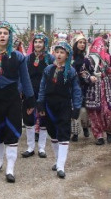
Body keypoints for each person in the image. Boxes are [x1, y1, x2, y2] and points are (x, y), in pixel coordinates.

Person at [0, 21, 35, 183]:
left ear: (10, 36)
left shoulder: (18, 57)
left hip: (12, 99)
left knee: (12, 131)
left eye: (5, 33)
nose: (2, 36)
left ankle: (10, 168)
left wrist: (30, 100)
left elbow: (25, 79)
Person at [37, 42, 82, 178]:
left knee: (63, 132)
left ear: (67, 55)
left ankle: (61, 166)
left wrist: (77, 107)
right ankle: (57, 160)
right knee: (53, 133)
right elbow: (42, 88)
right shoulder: (48, 69)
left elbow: (76, 91)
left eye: (62, 52)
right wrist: (40, 103)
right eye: (57, 52)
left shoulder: (71, 71)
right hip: (50, 105)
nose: (59, 55)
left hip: (64, 105)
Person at [21, 32, 53, 158]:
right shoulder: (27, 59)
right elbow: (23, 76)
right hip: (29, 93)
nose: (38, 44)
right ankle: (30, 147)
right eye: (36, 42)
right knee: (28, 119)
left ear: (44, 44)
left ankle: (42, 148)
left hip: (44, 93)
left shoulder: (50, 59)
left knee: (44, 119)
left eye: (40, 42)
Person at [85, 33, 111, 145]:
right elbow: (83, 71)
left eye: (103, 46)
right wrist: (89, 77)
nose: (101, 48)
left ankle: (109, 131)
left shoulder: (109, 58)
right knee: (94, 113)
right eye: (99, 46)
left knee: (108, 111)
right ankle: (99, 136)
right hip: (93, 89)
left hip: (106, 88)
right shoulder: (88, 59)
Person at [70, 31, 92, 141]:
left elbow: (89, 71)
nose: (82, 44)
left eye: (84, 42)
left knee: (84, 110)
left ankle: (85, 127)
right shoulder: (70, 56)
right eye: (80, 42)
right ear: (75, 43)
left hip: (83, 86)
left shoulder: (86, 58)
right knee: (74, 108)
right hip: (72, 85)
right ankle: (75, 133)